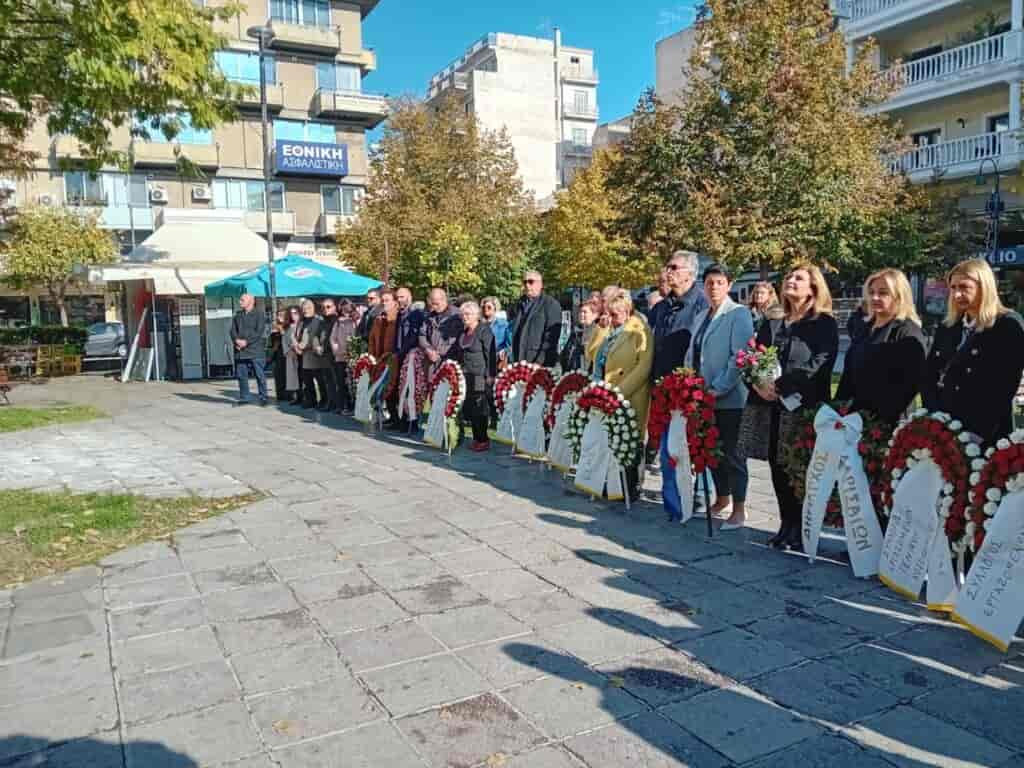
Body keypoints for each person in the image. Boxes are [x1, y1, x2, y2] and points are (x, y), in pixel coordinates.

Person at [752, 262, 838, 550]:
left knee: (798, 467)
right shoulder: (774, 320)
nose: (790, 280)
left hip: (804, 406)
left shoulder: (822, 323)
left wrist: (785, 385)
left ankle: (801, 527)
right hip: (771, 405)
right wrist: (758, 383)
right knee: (776, 466)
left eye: (798, 278)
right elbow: (755, 357)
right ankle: (785, 523)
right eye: (789, 276)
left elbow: (820, 363)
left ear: (813, 287)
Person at [922, 258, 1024, 444]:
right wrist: (934, 418)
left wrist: (977, 433)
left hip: (983, 436)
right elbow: (929, 375)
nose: (957, 294)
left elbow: (1004, 386)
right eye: (953, 288)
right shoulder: (949, 326)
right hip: (943, 429)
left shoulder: (1007, 325)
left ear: (984, 287)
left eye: (964, 287)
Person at [685, 264, 755, 530]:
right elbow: (693, 352)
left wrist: (717, 388)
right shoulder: (702, 314)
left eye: (719, 282)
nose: (713, 287)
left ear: (728, 285)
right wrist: (688, 383)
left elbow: (740, 358)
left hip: (729, 398)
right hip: (702, 397)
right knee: (711, 451)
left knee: (733, 454)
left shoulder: (738, 314)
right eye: (709, 282)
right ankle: (721, 498)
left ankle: (739, 509)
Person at [836, 268, 926, 427]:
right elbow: (848, 375)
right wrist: (837, 409)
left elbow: (909, 385)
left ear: (899, 296)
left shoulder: (907, 331)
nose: (874, 297)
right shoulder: (864, 328)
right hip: (854, 419)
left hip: (887, 424)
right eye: (871, 292)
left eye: (883, 293)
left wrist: (876, 421)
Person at [594, 291, 653, 498]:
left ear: (628, 311)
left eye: (617, 313)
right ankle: (612, 483)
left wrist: (620, 392)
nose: (613, 317)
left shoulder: (640, 329)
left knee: (629, 439)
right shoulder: (610, 331)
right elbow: (594, 356)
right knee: (612, 438)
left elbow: (643, 366)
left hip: (630, 394)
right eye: (610, 312)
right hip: (608, 393)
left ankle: (631, 486)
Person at [649, 251, 709, 383]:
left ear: (690, 273)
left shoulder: (704, 304)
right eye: (668, 267)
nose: (668, 272)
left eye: (674, 268)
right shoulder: (661, 306)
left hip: (687, 385)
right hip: (660, 383)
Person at [457, 301, 497, 452]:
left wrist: (490, 374)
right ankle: (476, 438)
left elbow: (490, 353)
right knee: (471, 407)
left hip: (480, 375)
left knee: (480, 408)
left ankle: (483, 439)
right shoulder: (464, 332)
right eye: (463, 314)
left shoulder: (484, 330)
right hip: (466, 375)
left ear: (476, 315)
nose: (464, 317)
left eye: (468, 314)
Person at [508, 270, 562, 367]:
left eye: (531, 281)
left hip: (539, 363)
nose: (527, 285)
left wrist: (539, 362)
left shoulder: (550, 304)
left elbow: (551, 338)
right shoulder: (519, 304)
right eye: (525, 282)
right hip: (519, 361)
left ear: (540, 284)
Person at [393, 287, 425, 428]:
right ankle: (401, 419)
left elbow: (414, 337)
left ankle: (411, 421)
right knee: (401, 389)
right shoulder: (400, 314)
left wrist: (403, 352)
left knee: (410, 390)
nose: (400, 300)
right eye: (398, 297)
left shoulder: (416, 314)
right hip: (399, 355)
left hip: (411, 356)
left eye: (402, 297)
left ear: (409, 297)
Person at [229, 293, 268, 406]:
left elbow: (259, 331)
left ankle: (263, 397)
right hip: (240, 350)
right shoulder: (238, 315)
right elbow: (232, 330)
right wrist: (236, 340)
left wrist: (246, 342)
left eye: (242, 300)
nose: (240, 302)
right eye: (240, 300)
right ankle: (244, 397)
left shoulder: (259, 314)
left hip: (255, 350)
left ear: (251, 301)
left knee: (259, 375)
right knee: (241, 375)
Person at [418, 287, 463, 378]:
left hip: (449, 362)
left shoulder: (457, 316)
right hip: (431, 361)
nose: (434, 307)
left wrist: (439, 353)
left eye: (436, 304)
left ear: (444, 300)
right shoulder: (429, 316)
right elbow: (422, 335)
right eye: (432, 304)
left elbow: (457, 339)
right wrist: (428, 349)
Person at [296, 299, 328, 409]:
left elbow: (320, 337)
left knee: (320, 380)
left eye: (308, 308)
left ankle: (324, 400)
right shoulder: (302, 322)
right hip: (305, 356)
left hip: (315, 355)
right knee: (307, 380)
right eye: (304, 309)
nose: (305, 311)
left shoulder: (319, 321)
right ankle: (310, 400)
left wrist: (310, 346)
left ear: (314, 308)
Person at [330, 299, 358, 415]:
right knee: (341, 382)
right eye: (343, 307)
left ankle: (353, 406)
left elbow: (357, 336)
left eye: (347, 306)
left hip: (352, 357)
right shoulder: (338, 322)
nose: (345, 309)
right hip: (340, 357)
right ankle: (343, 405)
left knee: (352, 383)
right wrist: (337, 350)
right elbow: (333, 338)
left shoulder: (355, 320)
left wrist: (353, 351)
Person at [369, 289, 399, 388]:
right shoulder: (378, 320)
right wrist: (372, 359)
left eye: (387, 300)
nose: (384, 303)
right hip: (378, 362)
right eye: (382, 301)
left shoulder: (399, 319)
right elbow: (372, 341)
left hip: (393, 362)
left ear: (395, 302)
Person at [560, 301, 598, 373]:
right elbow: (565, 354)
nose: (581, 314)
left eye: (585, 312)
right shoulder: (575, 332)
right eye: (580, 312)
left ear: (594, 315)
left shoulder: (596, 332)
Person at [318, 298, 340, 411]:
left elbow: (335, 338)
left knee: (335, 380)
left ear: (334, 307)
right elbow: (317, 336)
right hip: (324, 356)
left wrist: (324, 346)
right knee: (327, 380)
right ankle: (330, 402)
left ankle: (337, 403)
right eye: (323, 307)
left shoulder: (337, 320)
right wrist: (317, 346)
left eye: (328, 306)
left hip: (334, 355)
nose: (326, 309)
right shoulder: (322, 322)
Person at [482, 296, 511, 367]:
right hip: (481, 361)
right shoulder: (479, 325)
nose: (486, 309)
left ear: (495, 308)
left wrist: (504, 351)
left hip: (497, 360)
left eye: (489, 307)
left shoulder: (503, 324)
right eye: (483, 307)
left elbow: (510, 344)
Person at [283, 305, 302, 404]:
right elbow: (284, 341)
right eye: (291, 314)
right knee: (293, 377)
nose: (293, 316)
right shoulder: (288, 327)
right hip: (291, 355)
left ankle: (304, 397)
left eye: (295, 313)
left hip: (301, 354)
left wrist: (298, 348)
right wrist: (287, 351)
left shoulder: (302, 325)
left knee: (302, 377)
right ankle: (297, 396)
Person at [269, 308, 288, 402]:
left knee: (286, 375)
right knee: (278, 375)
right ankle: (280, 395)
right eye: (278, 314)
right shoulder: (274, 329)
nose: (279, 317)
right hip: (277, 355)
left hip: (287, 354)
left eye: (282, 314)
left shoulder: (288, 327)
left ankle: (289, 395)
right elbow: (272, 345)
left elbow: (287, 338)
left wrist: (281, 330)